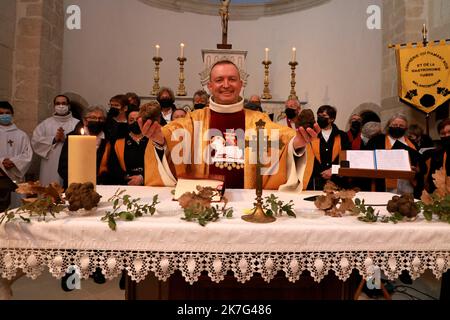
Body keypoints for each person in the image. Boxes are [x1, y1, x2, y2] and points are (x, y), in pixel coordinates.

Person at [138, 59, 320, 190]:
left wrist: (298, 144)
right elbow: (170, 136)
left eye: (232, 79)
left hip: (247, 207)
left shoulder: (259, 121)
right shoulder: (193, 121)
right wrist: (159, 140)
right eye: (219, 80)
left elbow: (284, 141)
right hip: (202, 205)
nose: (226, 85)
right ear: (210, 86)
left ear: (241, 84)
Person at [367, 113, 426, 197]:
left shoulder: (412, 144)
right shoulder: (376, 141)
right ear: (388, 126)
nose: (398, 127)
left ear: (405, 128)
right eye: (394, 125)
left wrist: (416, 169)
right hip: (383, 182)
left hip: (407, 184)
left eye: (401, 126)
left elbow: (421, 165)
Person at [31, 95, 80, 186]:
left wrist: (66, 139)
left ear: (68, 106)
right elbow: (36, 141)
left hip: (69, 162)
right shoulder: (46, 123)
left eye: (63, 103)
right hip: (50, 163)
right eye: (58, 103)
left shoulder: (77, 123)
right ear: (54, 106)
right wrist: (54, 139)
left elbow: (82, 144)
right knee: (49, 189)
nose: (61, 106)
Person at [58, 106, 110, 189]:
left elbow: (112, 166)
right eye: (93, 118)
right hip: (75, 187)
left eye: (101, 118)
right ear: (85, 121)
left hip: (101, 186)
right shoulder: (73, 137)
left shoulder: (109, 139)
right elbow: (63, 167)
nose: (97, 121)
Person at [303, 105, 351, 190]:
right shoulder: (311, 134)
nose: (320, 118)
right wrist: (320, 172)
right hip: (315, 180)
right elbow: (306, 157)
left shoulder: (342, 136)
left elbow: (347, 158)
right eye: (319, 116)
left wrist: (333, 170)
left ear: (332, 119)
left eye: (324, 116)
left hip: (337, 181)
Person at [0, 101, 33, 211]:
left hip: (15, 178)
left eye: (7, 113)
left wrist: (14, 162)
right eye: (1, 113)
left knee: (15, 210)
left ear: (12, 115)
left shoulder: (21, 135)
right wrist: (1, 162)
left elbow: (28, 154)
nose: (4, 115)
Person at [108, 109, 150, 186]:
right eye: (131, 120)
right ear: (127, 122)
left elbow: (157, 164)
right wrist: (127, 177)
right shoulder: (119, 142)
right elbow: (113, 165)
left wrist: (142, 177)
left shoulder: (152, 141)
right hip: (126, 183)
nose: (135, 122)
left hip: (149, 182)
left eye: (138, 119)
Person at [426, 118, 450, 192]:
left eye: (449, 132)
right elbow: (431, 178)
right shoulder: (436, 154)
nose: (447, 135)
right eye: (443, 133)